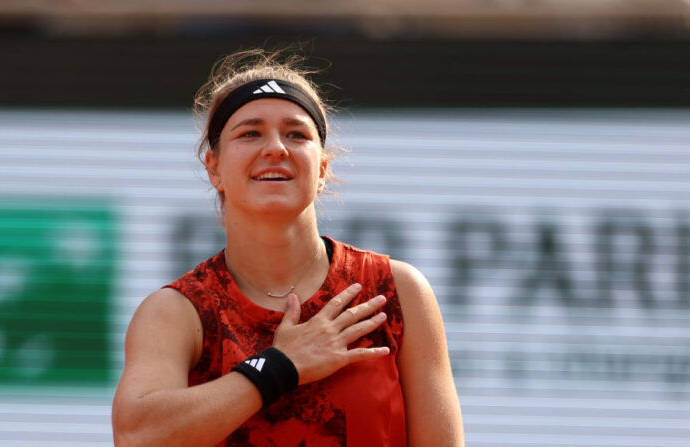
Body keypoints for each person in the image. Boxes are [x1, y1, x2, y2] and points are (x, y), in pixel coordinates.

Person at [112, 49, 464, 447]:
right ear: (214, 168)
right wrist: (279, 366)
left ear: (323, 170)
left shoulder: (395, 291)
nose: (276, 148)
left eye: (296, 134)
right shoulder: (179, 310)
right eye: (250, 133)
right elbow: (136, 435)